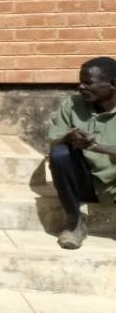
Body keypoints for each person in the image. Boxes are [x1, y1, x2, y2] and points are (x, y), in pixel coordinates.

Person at [46, 57, 116, 250]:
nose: (81, 87)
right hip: (85, 183)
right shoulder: (72, 104)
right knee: (60, 153)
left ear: (112, 84)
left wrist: (95, 146)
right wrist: (68, 136)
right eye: (80, 82)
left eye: (88, 83)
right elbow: (53, 141)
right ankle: (75, 222)